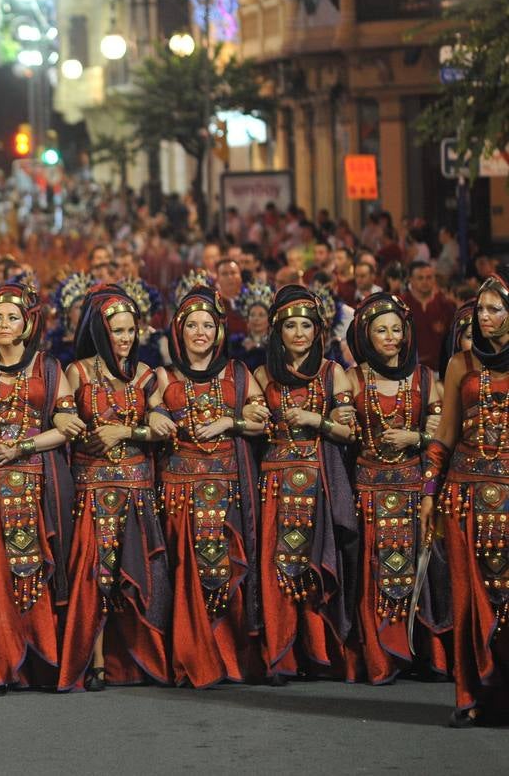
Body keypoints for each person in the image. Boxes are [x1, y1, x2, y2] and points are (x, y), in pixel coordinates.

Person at [0, 283, 83, 694]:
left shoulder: (49, 368)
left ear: (27, 323)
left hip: (34, 481)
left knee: (32, 569)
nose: (4, 324)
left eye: (12, 317)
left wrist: (23, 446)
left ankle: (37, 660)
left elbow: (67, 427)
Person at [153, 286, 268, 687]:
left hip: (226, 490)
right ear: (178, 330)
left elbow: (261, 421)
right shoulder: (162, 376)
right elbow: (147, 413)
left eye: (208, 325)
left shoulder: (238, 373)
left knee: (225, 574)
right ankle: (191, 657)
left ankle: (227, 659)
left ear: (220, 332)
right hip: (178, 493)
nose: (200, 332)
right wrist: (153, 419)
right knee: (185, 575)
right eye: (192, 325)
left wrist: (228, 423)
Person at [59, 284, 172, 691]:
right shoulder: (78, 373)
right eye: (116, 332)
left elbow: (163, 428)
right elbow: (65, 423)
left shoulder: (146, 375)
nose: (124, 340)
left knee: (133, 572)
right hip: (90, 488)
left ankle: (135, 659)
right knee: (95, 576)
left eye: (129, 331)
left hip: (136, 488)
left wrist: (125, 430)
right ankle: (96, 660)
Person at [253, 286, 357, 685]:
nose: (299, 333)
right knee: (276, 569)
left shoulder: (334, 373)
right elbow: (251, 420)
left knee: (313, 569)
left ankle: (317, 653)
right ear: (277, 331)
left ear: (318, 330)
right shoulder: (263, 375)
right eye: (291, 326)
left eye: (307, 325)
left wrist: (317, 421)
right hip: (274, 484)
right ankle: (280, 655)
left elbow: (349, 431)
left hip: (318, 482)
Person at [342, 293, 447, 685]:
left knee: (415, 569)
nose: (390, 337)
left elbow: (440, 439)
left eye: (396, 330)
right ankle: (379, 655)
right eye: (381, 330)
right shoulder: (353, 377)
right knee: (371, 572)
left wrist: (415, 437)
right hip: (366, 489)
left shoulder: (425, 378)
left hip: (412, 489)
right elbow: (342, 428)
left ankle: (420, 653)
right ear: (367, 335)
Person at [429, 272, 509, 727]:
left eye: (495, 309)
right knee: (469, 600)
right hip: (465, 497)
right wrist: (427, 495)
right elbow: (444, 435)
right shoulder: (461, 364)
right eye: (480, 310)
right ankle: (472, 694)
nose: (485, 317)